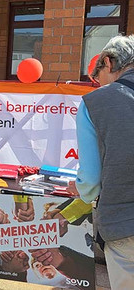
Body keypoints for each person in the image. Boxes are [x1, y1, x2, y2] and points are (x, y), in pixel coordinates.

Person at [75, 34, 134, 289]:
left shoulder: (95, 102)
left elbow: (89, 180)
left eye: (97, 76)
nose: (97, 84)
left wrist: (82, 191)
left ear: (109, 63)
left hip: (124, 223)